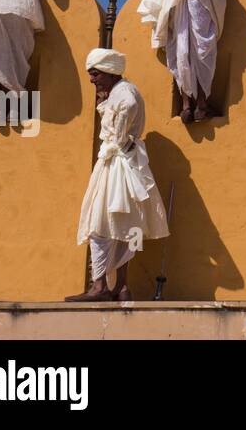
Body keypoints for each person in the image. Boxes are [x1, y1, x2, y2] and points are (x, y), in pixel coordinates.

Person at [66, 48, 169, 302]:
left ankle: (99, 286)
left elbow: (127, 111)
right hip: (126, 163)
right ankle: (121, 287)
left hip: (117, 163)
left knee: (98, 222)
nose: (92, 79)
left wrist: (119, 137)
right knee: (125, 226)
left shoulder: (124, 94)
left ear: (109, 72)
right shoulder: (120, 90)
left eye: (95, 74)